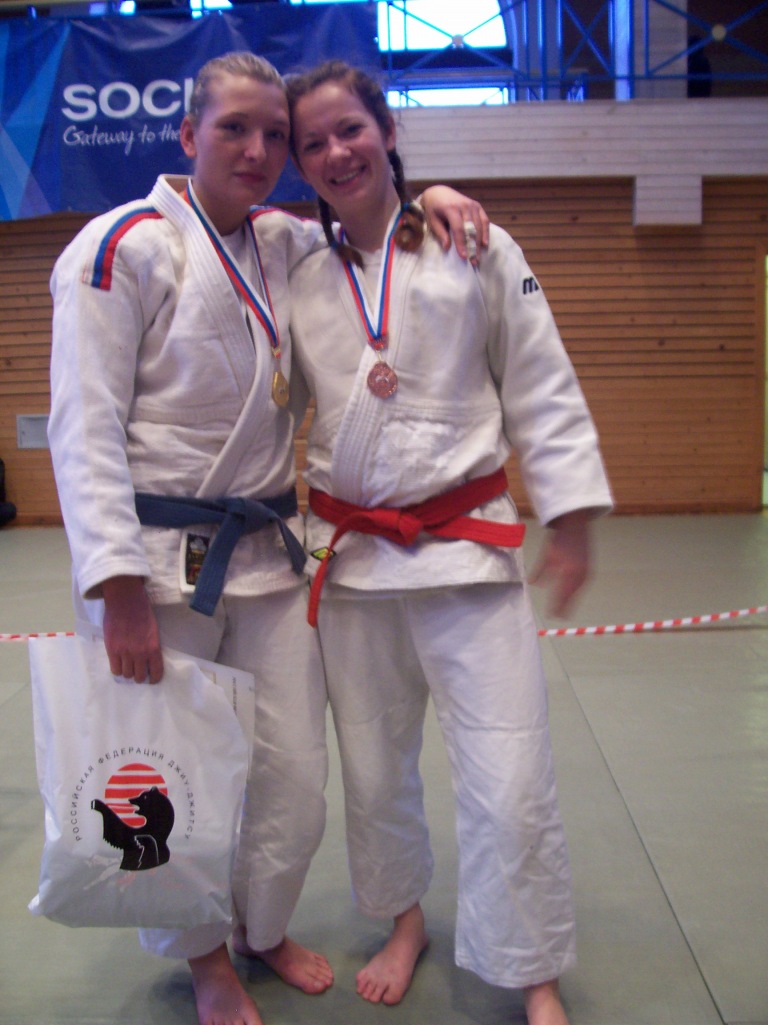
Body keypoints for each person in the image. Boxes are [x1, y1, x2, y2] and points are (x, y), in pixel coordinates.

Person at [47, 51, 489, 1025]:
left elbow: (372, 220)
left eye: (273, 135)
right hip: (156, 567)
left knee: (293, 771)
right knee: (169, 773)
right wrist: (116, 586)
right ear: (187, 135)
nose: (257, 149)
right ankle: (204, 956)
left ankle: (259, 923)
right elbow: (84, 428)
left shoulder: (283, 241)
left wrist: (432, 195)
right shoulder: (117, 248)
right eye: (234, 128)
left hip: (268, 552)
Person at [285, 60, 614, 1025]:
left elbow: (540, 380)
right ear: (300, 162)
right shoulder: (295, 266)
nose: (336, 152)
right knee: (374, 771)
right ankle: (404, 921)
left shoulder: (475, 241)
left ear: (387, 131)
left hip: (466, 551)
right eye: (314, 142)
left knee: (510, 776)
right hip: (354, 563)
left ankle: (532, 968)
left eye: (352, 128)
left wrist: (571, 518)